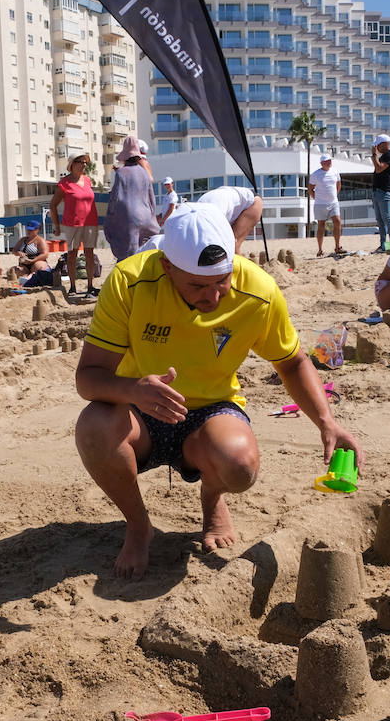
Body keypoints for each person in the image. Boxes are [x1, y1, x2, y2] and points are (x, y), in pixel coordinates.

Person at [75, 204, 360, 578]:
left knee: (240, 466)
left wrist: (327, 421)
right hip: (140, 412)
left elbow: (292, 362)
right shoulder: (129, 282)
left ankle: (211, 498)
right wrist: (133, 389)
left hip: (211, 413)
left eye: (221, 281)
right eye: (197, 285)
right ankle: (139, 525)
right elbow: (88, 378)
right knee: (93, 427)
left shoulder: (257, 290)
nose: (212, 298)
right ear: (167, 267)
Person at [48, 154, 101, 296]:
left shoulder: (88, 181)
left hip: (91, 222)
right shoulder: (64, 183)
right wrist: (57, 226)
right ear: (72, 164)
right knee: (72, 255)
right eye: (81, 162)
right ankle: (72, 287)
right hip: (72, 224)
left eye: (85, 162)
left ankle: (90, 286)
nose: (84, 164)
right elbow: (53, 205)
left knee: (89, 254)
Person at [104, 136, 159, 261]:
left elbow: (115, 198)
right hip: (145, 215)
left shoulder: (121, 173)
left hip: (129, 215)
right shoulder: (144, 172)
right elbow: (151, 198)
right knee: (143, 251)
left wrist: (110, 217)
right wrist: (152, 215)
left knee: (129, 253)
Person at [195, 185, 262, 256]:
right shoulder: (197, 216)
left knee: (233, 245)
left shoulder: (215, 218)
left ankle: (238, 266)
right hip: (225, 197)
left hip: (253, 202)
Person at [307, 155, 343, 256]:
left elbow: (338, 184)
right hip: (320, 204)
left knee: (337, 221)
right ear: (322, 163)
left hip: (333, 202)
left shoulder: (335, 171)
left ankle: (337, 246)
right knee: (321, 225)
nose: (329, 162)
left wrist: (334, 195)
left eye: (330, 161)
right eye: (326, 161)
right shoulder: (316, 174)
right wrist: (315, 197)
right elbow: (310, 188)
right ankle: (320, 249)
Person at [371, 134, 390, 251]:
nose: (377, 147)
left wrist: (374, 155)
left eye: (378, 144)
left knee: (387, 218)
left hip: (384, 191)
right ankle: (383, 246)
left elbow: (378, 169)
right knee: (380, 220)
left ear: (384, 144)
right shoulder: (383, 156)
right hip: (377, 191)